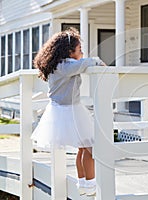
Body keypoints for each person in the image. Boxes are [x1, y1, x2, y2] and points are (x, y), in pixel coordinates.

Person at [31, 27, 105, 196]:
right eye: (80, 50)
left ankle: (83, 184)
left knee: (83, 148)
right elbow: (85, 63)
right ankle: (91, 184)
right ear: (69, 52)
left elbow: (80, 63)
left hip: (65, 109)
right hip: (68, 111)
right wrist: (98, 61)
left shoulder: (58, 65)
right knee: (90, 147)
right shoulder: (65, 66)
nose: (82, 53)